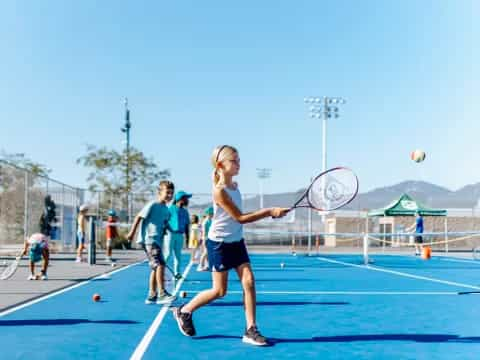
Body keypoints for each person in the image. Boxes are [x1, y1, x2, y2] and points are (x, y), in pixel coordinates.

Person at [172, 145, 289, 346]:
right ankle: (184, 311)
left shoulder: (235, 187)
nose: (238, 164)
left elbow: (237, 221)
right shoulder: (220, 192)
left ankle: (251, 329)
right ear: (221, 165)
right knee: (219, 291)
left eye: (238, 160)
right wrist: (270, 211)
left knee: (249, 281)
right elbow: (240, 218)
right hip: (219, 244)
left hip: (237, 241)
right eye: (234, 161)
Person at [127, 180, 176, 304]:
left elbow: (164, 223)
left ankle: (152, 295)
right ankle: (162, 293)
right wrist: (132, 233)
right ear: (159, 192)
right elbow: (139, 217)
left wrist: (171, 229)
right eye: (167, 192)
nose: (170, 195)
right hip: (150, 240)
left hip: (158, 241)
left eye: (171, 193)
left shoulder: (166, 209)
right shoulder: (152, 204)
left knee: (156, 267)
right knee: (160, 265)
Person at [165, 190, 192, 280]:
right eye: (185, 198)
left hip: (180, 235)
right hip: (170, 234)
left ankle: (177, 274)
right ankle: (160, 271)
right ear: (179, 199)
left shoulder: (185, 211)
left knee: (178, 255)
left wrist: (188, 238)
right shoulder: (171, 209)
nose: (187, 200)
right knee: (168, 254)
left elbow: (187, 225)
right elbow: (164, 221)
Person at [197, 206, 213, 272]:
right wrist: (204, 240)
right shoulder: (205, 222)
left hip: (209, 238)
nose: (212, 214)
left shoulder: (210, 221)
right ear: (208, 214)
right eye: (211, 213)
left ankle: (207, 265)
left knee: (207, 253)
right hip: (206, 239)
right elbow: (204, 232)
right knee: (205, 252)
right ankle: (200, 266)